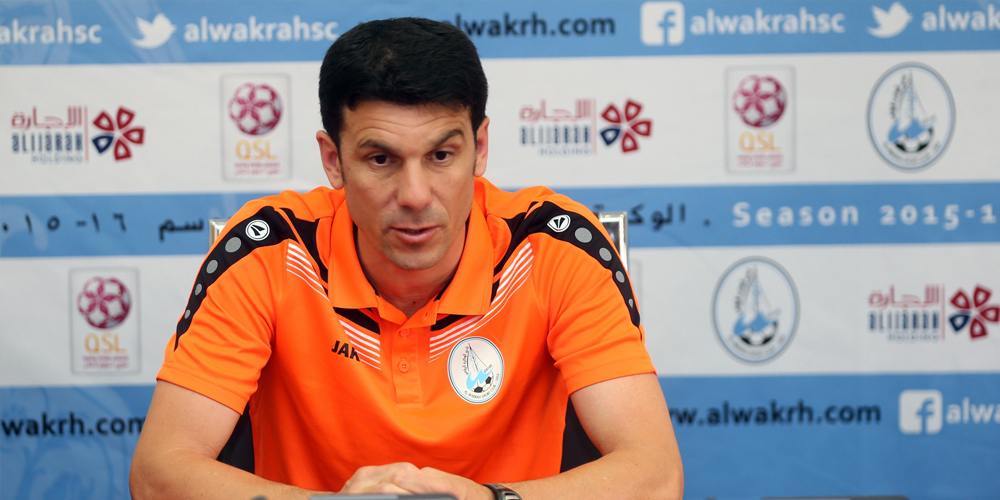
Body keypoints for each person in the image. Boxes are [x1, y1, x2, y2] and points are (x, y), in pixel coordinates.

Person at [130, 17, 682, 500]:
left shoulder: (554, 247)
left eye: (441, 155)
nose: (415, 195)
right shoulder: (271, 249)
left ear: (480, 148)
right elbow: (158, 475)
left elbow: (655, 477)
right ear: (333, 160)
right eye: (380, 159)